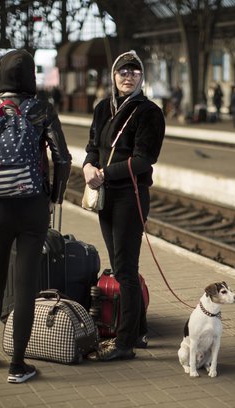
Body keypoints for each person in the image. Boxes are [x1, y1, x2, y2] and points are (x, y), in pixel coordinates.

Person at [0, 49, 72, 383]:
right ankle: (18, 365)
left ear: (1, 75)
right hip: (33, 206)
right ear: (30, 77)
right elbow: (63, 159)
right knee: (26, 285)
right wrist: (54, 198)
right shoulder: (42, 109)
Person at [82, 50, 165, 362]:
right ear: (113, 76)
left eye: (134, 71)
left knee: (125, 271)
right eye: (122, 71)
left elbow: (145, 159)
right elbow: (93, 146)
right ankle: (139, 331)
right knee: (121, 267)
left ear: (142, 77)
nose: (128, 76)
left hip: (131, 195)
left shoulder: (150, 112)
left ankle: (125, 343)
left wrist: (104, 173)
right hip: (106, 196)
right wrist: (88, 167)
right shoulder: (104, 108)